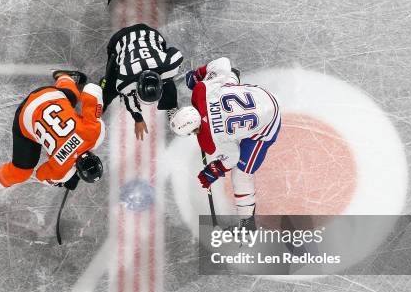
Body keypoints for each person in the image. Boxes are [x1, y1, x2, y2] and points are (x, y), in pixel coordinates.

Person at [169, 57, 281, 228]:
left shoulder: (211, 141)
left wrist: (215, 169)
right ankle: (232, 78)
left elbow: (233, 157)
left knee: (241, 175)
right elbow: (222, 63)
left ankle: (247, 223)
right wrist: (198, 75)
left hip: (268, 122)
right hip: (262, 95)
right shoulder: (201, 91)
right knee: (219, 84)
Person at [0, 71, 105, 215]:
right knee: (21, 172)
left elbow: (91, 90)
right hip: (24, 117)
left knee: (72, 95)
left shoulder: (94, 133)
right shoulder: (60, 171)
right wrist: (61, 180)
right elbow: (41, 175)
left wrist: (95, 115)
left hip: (47, 94)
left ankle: (64, 77)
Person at [101, 23, 183, 140]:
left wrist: (137, 118)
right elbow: (174, 51)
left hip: (150, 34)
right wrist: (138, 118)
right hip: (120, 39)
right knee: (109, 88)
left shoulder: (170, 68)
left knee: (167, 78)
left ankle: (170, 105)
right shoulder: (124, 81)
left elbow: (176, 54)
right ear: (136, 85)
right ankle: (97, 111)